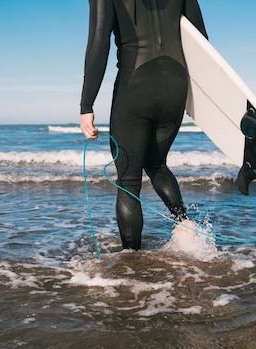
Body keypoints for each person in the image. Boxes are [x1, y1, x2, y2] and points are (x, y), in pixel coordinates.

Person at [80, 0, 208, 250]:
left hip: (136, 83)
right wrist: (199, 99)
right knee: (156, 163)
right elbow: (200, 39)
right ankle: (184, 223)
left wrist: (87, 105)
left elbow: (98, 44)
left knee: (128, 180)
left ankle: (131, 264)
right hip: (176, 84)